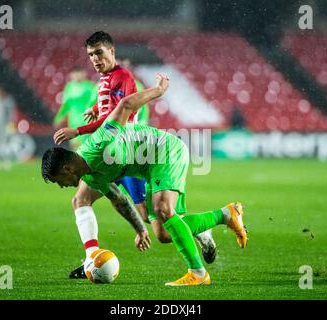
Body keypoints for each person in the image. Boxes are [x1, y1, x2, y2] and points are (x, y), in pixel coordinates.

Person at [43, 74, 248, 286]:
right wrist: (140, 229)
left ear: (67, 168)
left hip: (165, 151)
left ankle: (198, 273)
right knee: (163, 233)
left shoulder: (100, 143)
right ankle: (225, 215)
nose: (61, 185)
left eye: (59, 180)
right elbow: (119, 200)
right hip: (149, 168)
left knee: (163, 209)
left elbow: (125, 105)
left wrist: (158, 91)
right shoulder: (90, 176)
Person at [54, 32, 217, 279]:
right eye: (90, 55)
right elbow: (108, 107)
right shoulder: (105, 79)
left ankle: (202, 232)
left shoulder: (124, 77)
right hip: (104, 159)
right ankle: (91, 259)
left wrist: (77, 129)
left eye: (99, 53)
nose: (95, 59)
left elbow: (119, 113)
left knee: (160, 229)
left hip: (129, 155)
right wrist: (95, 109)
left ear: (112, 51)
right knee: (80, 200)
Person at [53, 66, 96, 150]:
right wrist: (59, 118)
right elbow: (66, 105)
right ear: (71, 75)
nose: (77, 76)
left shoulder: (89, 86)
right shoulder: (69, 87)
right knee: (74, 147)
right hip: (73, 121)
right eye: (75, 73)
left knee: (85, 147)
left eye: (79, 73)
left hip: (86, 120)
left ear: (84, 74)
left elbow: (95, 103)